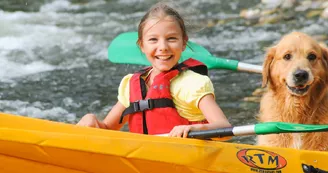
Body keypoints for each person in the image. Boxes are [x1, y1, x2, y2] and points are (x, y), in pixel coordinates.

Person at [77, 2, 231, 138]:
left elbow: (224, 128)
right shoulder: (131, 84)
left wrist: (193, 128)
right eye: (153, 40)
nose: (163, 47)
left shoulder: (192, 84)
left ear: (183, 43)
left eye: (171, 38)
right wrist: (93, 121)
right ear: (142, 46)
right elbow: (108, 129)